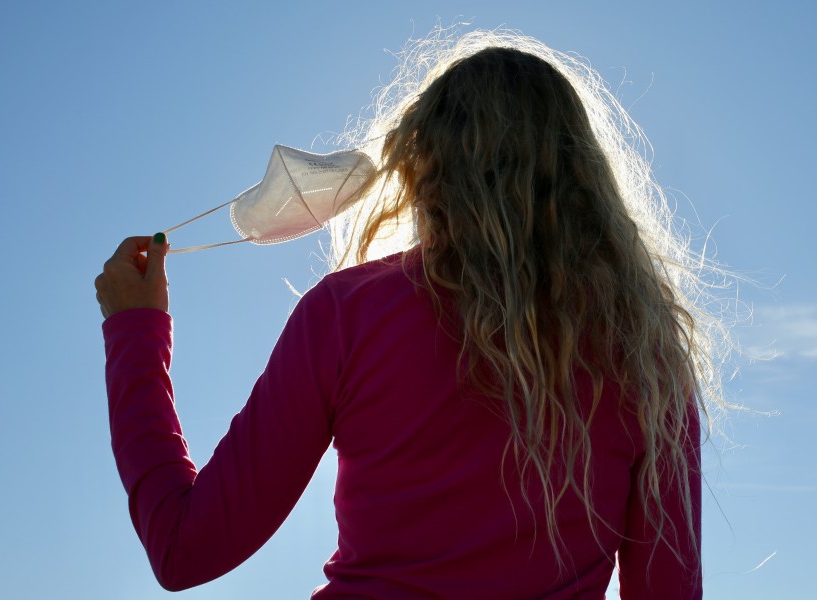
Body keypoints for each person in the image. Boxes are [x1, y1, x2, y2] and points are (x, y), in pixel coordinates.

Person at [96, 29, 728, 599]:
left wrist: (134, 329)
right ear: (586, 179)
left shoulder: (348, 313)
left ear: (420, 167)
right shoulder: (648, 356)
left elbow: (185, 549)